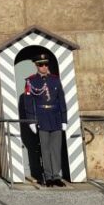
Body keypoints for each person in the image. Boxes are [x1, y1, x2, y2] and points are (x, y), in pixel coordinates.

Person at [23, 53, 67, 187]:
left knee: (56, 148)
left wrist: (64, 119)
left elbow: (61, 100)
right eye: (41, 65)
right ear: (36, 66)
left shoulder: (55, 80)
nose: (44, 67)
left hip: (55, 117)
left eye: (46, 64)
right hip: (41, 118)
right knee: (45, 149)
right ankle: (48, 177)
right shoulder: (31, 81)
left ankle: (56, 176)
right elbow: (28, 102)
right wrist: (31, 120)